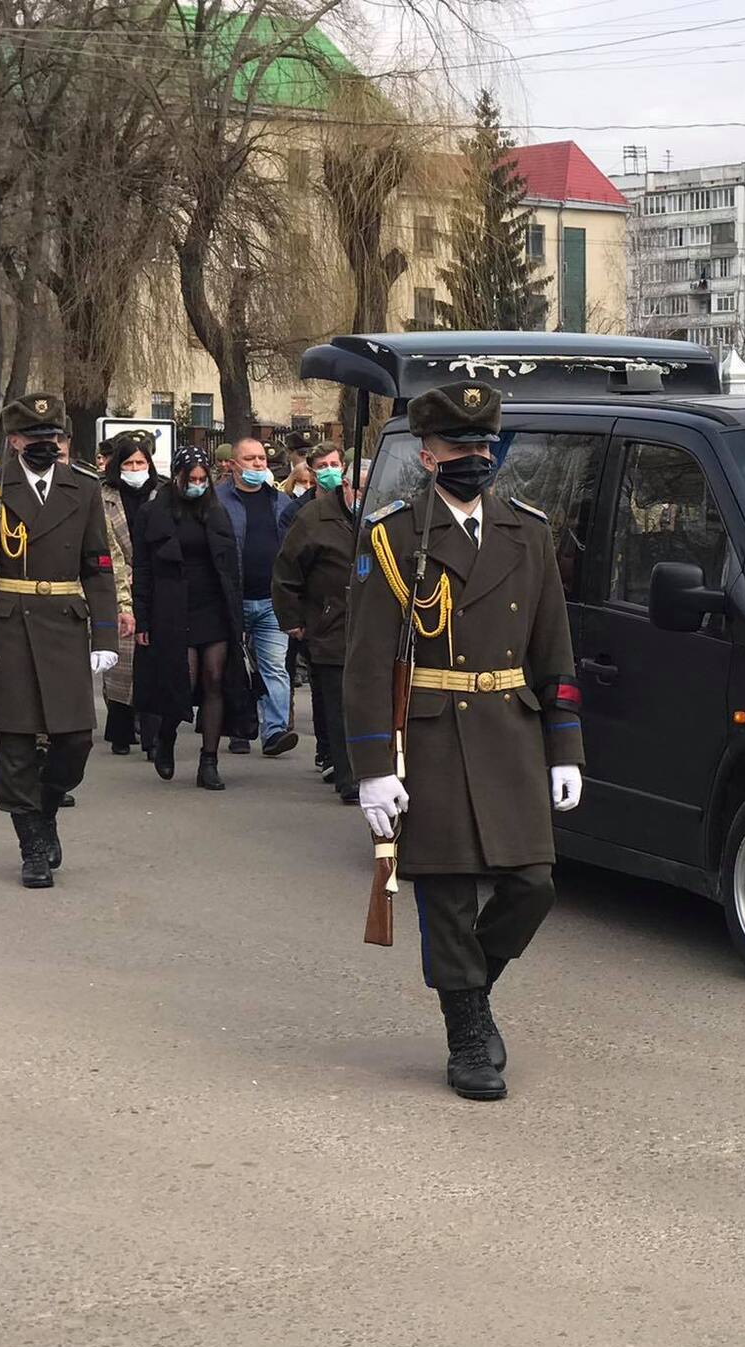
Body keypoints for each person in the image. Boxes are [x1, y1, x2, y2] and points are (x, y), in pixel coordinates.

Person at [344, 383, 584, 1103]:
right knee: (447, 895)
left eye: (485, 446)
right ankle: (467, 1035)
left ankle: (470, 990)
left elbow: (555, 651)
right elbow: (365, 661)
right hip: (433, 734)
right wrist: (372, 768)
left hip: (509, 726)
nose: (476, 458)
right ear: (427, 455)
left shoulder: (528, 530)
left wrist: (565, 746)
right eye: (460, 447)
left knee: (533, 883)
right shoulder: (392, 536)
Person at [0, 394, 121, 887]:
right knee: (17, 740)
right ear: (16, 440)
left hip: (64, 621)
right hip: (9, 624)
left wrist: (105, 630)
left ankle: (45, 808)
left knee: (76, 740)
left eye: (55, 438)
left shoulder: (81, 488)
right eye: (37, 439)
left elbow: (98, 565)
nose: (47, 446)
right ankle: (32, 846)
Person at [134, 446, 249, 788]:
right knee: (183, 678)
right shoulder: (153, 513)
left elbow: (231, 566)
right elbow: (143, 568)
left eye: (203, 479)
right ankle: (166, 735)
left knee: (215, 677)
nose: (197, 484)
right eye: (191, 479)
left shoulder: (216, 511)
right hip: (172, 606)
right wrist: (142, 619)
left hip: (213, 605)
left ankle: (208, 761)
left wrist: (236, 619)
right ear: (178, 478)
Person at [272, 445, 360, 804]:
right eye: (358, 486)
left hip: (372, 628)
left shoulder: (384, 515)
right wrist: (293, 620)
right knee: (337, 705)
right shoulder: (313, 517)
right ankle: (346, 775)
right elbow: (287, 570)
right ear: (346, 485)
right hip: (329, 624)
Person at [217, 436, 299, 758]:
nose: (258, 464)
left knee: (275, 667)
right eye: (250, 459)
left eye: (262, 459)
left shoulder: (281, 502)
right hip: (231, 599)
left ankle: (275, 731)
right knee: (232, 667)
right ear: (234, 464)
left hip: (270, 600)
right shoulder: (218, 500)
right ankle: (238, 728)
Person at [98, 436, 156, 753]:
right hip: (117, 581)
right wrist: (124, 578)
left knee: (150, 656)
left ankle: (152, 732)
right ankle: (120, 730)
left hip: (154, 583)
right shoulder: (103, 497)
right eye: (128, 464)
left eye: (140, 463)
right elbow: (105, 545)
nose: (135, 469)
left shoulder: (161, 494)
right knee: (120, 660)